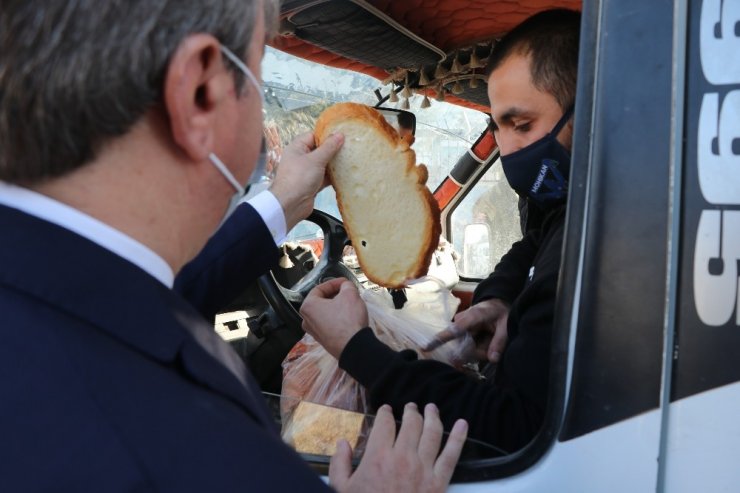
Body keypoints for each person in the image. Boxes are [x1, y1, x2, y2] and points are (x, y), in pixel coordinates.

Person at [0, 1, 468, 491]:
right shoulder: (199, 452)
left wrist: (285, 202)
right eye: (258, 74)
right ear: (201, 91)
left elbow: (151, 296)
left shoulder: (57, 291)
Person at [301, 8, 580, 454]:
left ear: (588, 112)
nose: (506, 149)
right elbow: (536, 239)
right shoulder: (572, 212)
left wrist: (355, 349)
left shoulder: (596, 247)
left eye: (521, 125)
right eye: (498, 127)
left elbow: (516, 430)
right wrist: (499, 297)